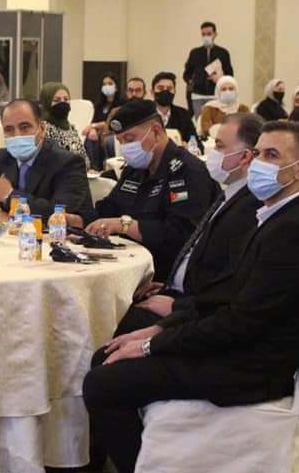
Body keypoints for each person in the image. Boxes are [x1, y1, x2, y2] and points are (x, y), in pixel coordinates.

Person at [83, 120, 299, 473]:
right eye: (258, 153)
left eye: (271, 155)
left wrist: (152, 346)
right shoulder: (278, 215)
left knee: (102, 384)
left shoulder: (297, 230)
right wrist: (158, 331)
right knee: (107, 357)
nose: (258, 163)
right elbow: (227, 295)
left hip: (249, 367)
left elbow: (240, 322)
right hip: (239, 346)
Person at [112, 113, 263, 336]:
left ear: (245, 157)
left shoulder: (250, 208)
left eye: (219, 146)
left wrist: (179, 304)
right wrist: (171, 285)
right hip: (178, 290)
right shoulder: (230, 195)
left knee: (114, 330)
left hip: (196, 312)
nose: (213, 153)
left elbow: (230, 284)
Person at [73, 99, 218, 281]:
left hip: (167, 275)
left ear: (156, 132)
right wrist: (76, 220)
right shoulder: (135, 170)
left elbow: (181, 236)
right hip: (129, 267)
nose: (125, 148)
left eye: (130, 139)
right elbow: (110, 209)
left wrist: (125, 225)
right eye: (120, 141)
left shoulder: (187, 171)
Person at [0, 99, 94, 223]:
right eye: (9, 129)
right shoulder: (0, 159)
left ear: (42, 129)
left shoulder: (68, 162)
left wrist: (9, 195)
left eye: (25, 127)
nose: (17, 135)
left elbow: (59, 214)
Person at [183, 21, 234, 116]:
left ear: (215, 34)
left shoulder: (223, 53)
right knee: (200, 121)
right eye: (203, 34)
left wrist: (220, 79)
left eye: (209, 34)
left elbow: (230, 75)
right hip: (198, 96)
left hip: (216, 95)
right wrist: (191, 81)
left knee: (217, 121)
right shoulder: (195, 53)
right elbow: (186, 73)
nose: (206, 37)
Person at [38, 82, 90, 169]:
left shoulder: (70, 128)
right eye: (57, 100)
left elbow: (83, 157)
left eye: (66, 99)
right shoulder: (43, 128)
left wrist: (88, 169)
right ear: (46, 103)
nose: (62, 103)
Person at [83, 74, 125, 171]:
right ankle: (93, 168)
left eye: (110, 83)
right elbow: (94, 121)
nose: (107, 86)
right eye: (104, 84)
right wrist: (93, 129)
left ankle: (106, 169)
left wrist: (94, 126)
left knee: (107, 141)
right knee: (90, 138)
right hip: (99, 134)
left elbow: (112, 122)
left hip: (113, 132)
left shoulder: (121, 103)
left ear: (116, 87)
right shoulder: (99, 105)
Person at [152, 72, 201, 150]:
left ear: (175, 91)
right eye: (160, 88)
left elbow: (198, 145)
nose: (165, 91)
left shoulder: (183, 114)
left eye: (169, 89)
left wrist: (189, 146)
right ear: (152, 92)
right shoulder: (144, 115)